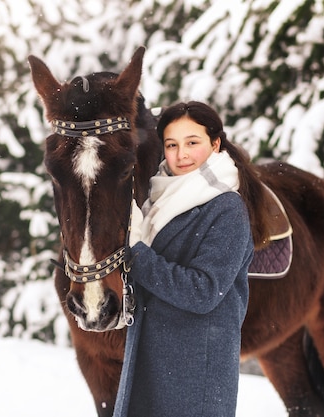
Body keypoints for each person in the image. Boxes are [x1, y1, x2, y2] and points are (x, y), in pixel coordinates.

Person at [113, 101, 271, 417]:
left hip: (195, 376)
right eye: (171, 145)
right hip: (152, 363)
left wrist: (137, 252)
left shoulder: (227, 208)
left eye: (192, 143)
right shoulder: (159, 197)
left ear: (215, 143)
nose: (181, 154)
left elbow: (204, 292)